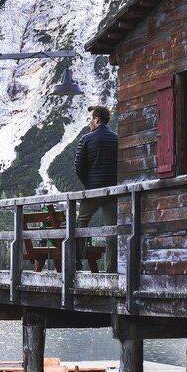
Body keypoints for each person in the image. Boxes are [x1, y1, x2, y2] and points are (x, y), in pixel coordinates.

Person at [73, 105, 118, 270]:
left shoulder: (86, 139)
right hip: (114, 191)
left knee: (81, 223)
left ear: (97, 120)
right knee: (112, 229)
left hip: (93, 190)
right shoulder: (116, 139)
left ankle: (77, 263)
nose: (89, 122)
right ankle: (111, 269)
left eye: (90, 119)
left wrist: (89, 183)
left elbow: (78, 167)